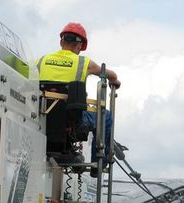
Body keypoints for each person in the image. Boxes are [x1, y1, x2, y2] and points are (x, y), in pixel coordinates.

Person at [37, 22, 124, 162]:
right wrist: (116, 83)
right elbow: (112, 76)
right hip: (72, 120)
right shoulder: (84, 63)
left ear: (61, 41)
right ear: (80, 45)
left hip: (42, 115)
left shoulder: (41, 60)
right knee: (106, 116)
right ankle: (99, 160)